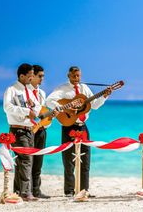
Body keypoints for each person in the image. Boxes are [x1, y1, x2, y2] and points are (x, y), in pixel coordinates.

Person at [45, 66, 112, 197]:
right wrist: (66, 108)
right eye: (74, 76)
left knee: (85, 159)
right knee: (68, 159)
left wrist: (104, 96)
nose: (77, 78)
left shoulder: (84, 89)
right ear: (68, 76)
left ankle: (83, 190)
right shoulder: (62, 89)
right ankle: (69, 191)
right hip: (69, 125)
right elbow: (49, 101)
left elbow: (95, 105)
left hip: (83, 126)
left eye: (79, 76)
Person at [3, 63, 41, 201]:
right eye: (30, 76)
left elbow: (37, 107)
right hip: (17, 129)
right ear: (22, 76)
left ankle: (18, 191)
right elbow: (7, 107)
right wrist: (26, 111)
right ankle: (25, 192)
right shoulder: (12, 89)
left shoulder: (29, 91)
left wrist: (33, 109)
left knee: (23, 161)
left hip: (29, 129)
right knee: (26, 160)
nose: (32, 78)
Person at [28, 65, 54, 199]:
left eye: (43, 76)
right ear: (32, 76)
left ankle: (36, 190)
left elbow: (43, 113)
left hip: (42, 130)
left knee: (39, 161)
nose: (42, 79)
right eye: (40, 76)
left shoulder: (42, 93)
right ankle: (26, 191)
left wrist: (51, 115)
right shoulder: (25, 91)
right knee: (27, 161)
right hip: (30, 130)